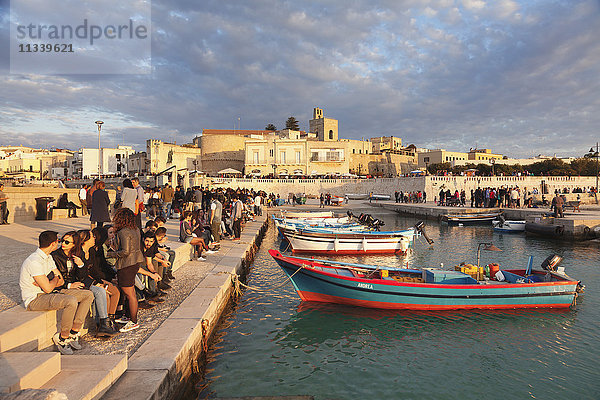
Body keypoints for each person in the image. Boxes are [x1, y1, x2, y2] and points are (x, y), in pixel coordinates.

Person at [20, 230, 94, 354]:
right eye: (59, 241)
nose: (60, 244)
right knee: (71, 301)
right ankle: (62, 338)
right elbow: (49, 287)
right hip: (35, 298)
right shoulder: (34, 261)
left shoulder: (48, 257)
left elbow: (60, 280)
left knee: (88, 295)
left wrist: (49, 280)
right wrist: (52, 280)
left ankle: (73, 332)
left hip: (50, 292)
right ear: (53, 244)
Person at [107, 208, 160, 333]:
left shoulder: (123, 232)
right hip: (135, 262)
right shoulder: (135, 229)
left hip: (126, 265)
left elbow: (125, 251)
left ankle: (134, 321)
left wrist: (110, 254)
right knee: (129, 293)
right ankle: (128, 316)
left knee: (130, 295)